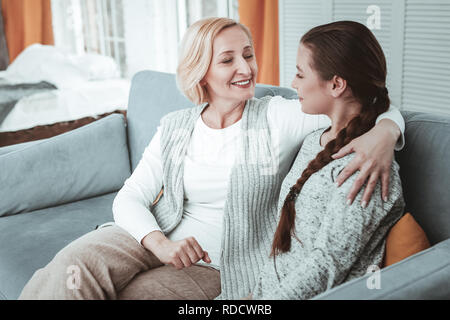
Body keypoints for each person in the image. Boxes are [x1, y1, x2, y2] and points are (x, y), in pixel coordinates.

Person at [19, 17, 404, 300]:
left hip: (220, 262)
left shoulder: (279, 115)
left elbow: (362, 100)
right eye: (227, 60)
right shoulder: (176, 125)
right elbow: (131, 196)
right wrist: (160, 244)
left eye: (249, 55)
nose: (246, 68)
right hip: (155, 235)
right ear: (201, 71)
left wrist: (387, 133)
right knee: (72, 267)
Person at [250, 21, 405, 300]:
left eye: (299, 74)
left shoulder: (368, 166)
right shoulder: (315, 140)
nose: (292, 83)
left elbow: (325, 266)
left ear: (336, 85)